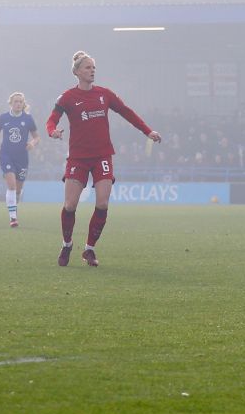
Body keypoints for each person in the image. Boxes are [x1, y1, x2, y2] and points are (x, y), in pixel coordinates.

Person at [46, 51, 161, 267]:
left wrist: (147, 131)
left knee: (102, 202)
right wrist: (52, 131)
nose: (92, 71)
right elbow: (51, 120)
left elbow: (127, 112)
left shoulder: (104, 94)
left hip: (102, 156)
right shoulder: (67, 97)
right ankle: (67, 244)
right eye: (88, 68)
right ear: (77, 72)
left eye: (93, 67)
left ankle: (89, 249)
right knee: (70, 205)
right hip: (78, 158)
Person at [0, 92, 39, 228]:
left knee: (18, 189)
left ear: (23, 104)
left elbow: (36, 137)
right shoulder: (3, 118)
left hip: (22, 157)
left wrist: (32, 143)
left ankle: (15, 200)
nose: (18, 104)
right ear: (11, 103)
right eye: (16, 101)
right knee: (12, 185)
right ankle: (13, 218)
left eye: (20, 102)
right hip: (6, 155)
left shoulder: (28, 119)